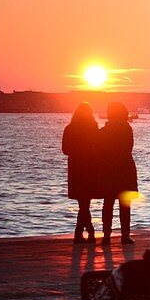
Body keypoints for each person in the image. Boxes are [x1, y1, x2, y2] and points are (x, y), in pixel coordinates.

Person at [99, 102, 138, 245]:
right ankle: (125, 235)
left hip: (108, 170)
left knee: (108, 203)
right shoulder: (127, 129)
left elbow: (99, 151)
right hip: (125, 169)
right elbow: (129, 148)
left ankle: (106, 235)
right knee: (125, 204)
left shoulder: (103, 131)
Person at [62, 102, 99, 243]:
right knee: (85, 203)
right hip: (90, 168)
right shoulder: (93, 127)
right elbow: (97, 147)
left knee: (82, 203)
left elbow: (65, 150)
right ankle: (87, 232)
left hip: (76, 168)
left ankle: (83, 233)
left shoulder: (69, 129)